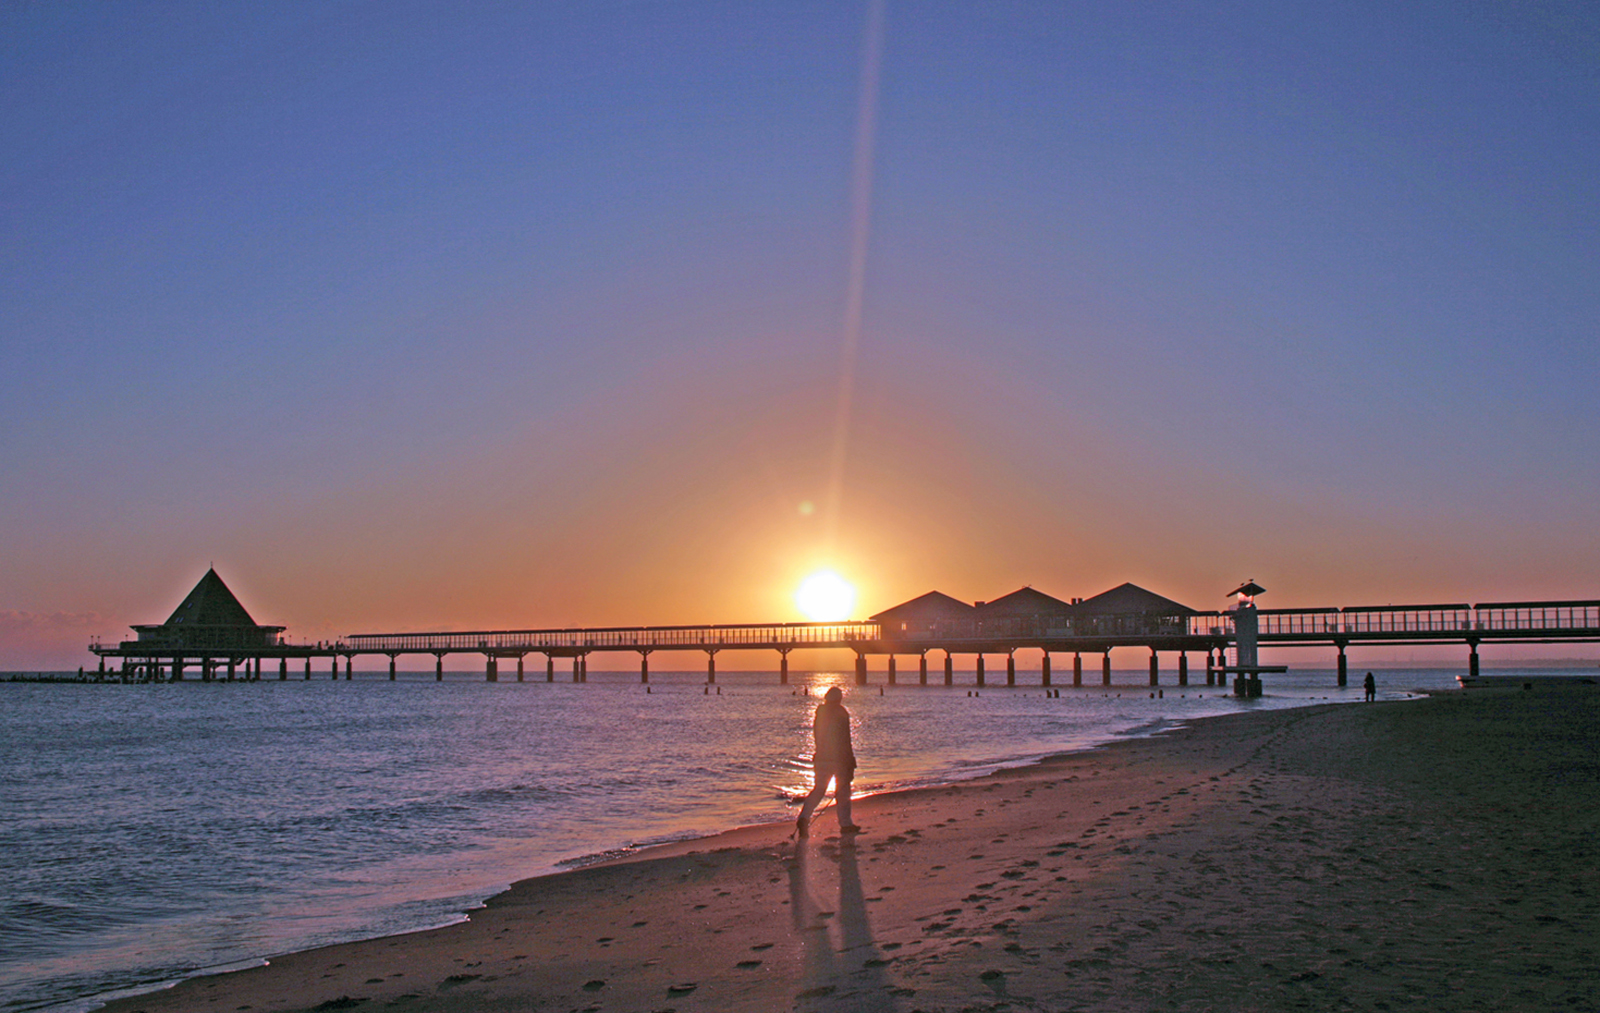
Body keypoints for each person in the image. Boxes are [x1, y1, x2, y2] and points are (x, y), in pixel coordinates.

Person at [797, 686, 859, 837]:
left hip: (821, 758)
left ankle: (804, 817)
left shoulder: (820, 713)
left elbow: (818, 736)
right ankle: (845, 824)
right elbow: (845, 739)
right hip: (838, 759)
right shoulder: (841, 712)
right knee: (843, 791)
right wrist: (850, 760)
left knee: (819, 789)